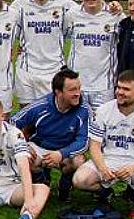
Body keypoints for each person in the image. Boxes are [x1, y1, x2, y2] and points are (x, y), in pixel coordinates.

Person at [73, 69, 134, 204]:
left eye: (126, 89)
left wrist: (133, 169)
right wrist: (102, 168)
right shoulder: (103, 110)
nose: (120, 92)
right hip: (108, 161)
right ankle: (105, 193)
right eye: (118, 87)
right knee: (80, 180)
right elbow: (94, 146)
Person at [10, 68, 89, 202]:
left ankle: (64, 186)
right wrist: (22, 145)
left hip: (64, 150)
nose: (77, 94)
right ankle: (41, 182)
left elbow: (83, 141)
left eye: (79, 88)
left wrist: (61, 153)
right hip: (41, 147)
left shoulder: (84, 109)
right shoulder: (41, 106)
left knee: (78, 160)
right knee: (24, 156)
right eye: (72, 90)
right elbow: (12, 122)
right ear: (58, 92)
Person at [11, 0, 78, 107]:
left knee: (51, 117)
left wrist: (112, 7)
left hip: (54, 70)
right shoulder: (19, 5)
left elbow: (89, 10)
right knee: (28, 119)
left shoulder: (65, 4)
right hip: (26, 71)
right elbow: (1, 21)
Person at [65, 0, 123, 110]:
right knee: (75, 127)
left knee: (101, 128)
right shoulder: (71, 15)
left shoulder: (115, 15)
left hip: (104, 88)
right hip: (77, 85)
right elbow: (57, 39)